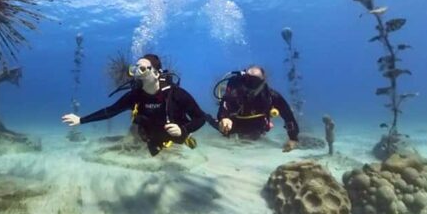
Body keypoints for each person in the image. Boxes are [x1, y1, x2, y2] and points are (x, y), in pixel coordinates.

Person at [62, 54, 206, 156]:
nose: (137, 73)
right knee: (150, 142)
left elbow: (200, 118)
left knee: (179, 136)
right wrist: (81, 120)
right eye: (134, 69)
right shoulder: (135, 95)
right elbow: (110, 111)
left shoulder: (176, 94)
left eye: (142, 69)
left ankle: (186, 137)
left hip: (175, 132)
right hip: (153, 135)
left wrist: (183, 130)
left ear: (156, 74)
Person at [213, 65, 299, 152]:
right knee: (217, 125)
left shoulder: (270, 96)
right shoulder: (235, 92)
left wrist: (293, 138)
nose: (249, 85)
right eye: (247, 80)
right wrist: (224, 118)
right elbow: (224, 104)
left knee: (253, 136)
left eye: (253, 81)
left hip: (257, 127)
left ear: (262, 82)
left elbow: (288, 116)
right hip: (234, 124)